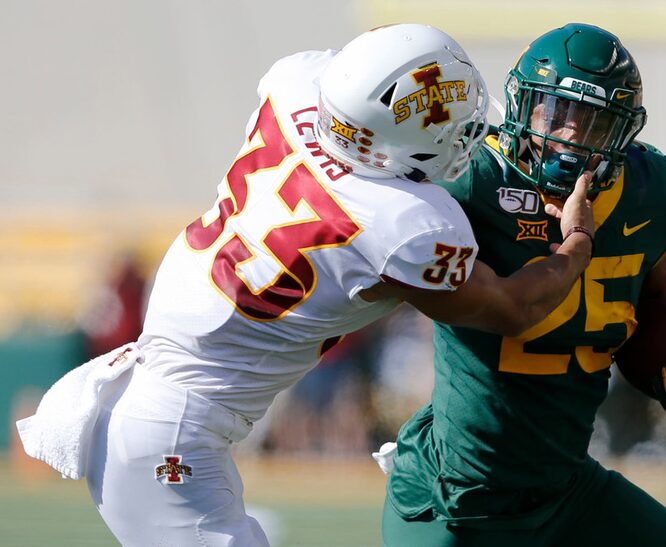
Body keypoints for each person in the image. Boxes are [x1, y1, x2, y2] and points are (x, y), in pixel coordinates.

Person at [17, 24, 596, 546]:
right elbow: (515, 308)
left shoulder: (295, 85)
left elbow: (361, 73)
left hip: (157, 405)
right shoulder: (404, 223)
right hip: (170, 436)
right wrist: (575, 245)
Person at [382, 23, 666, 546]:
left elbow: (651, 306)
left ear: (621, 133)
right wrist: (576, 243)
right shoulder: (473, 180)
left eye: (591, 121)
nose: (569, 135)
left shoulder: (651, 193)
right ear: (522, 105)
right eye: (557, 112)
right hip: (456, 498)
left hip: (564, 487)